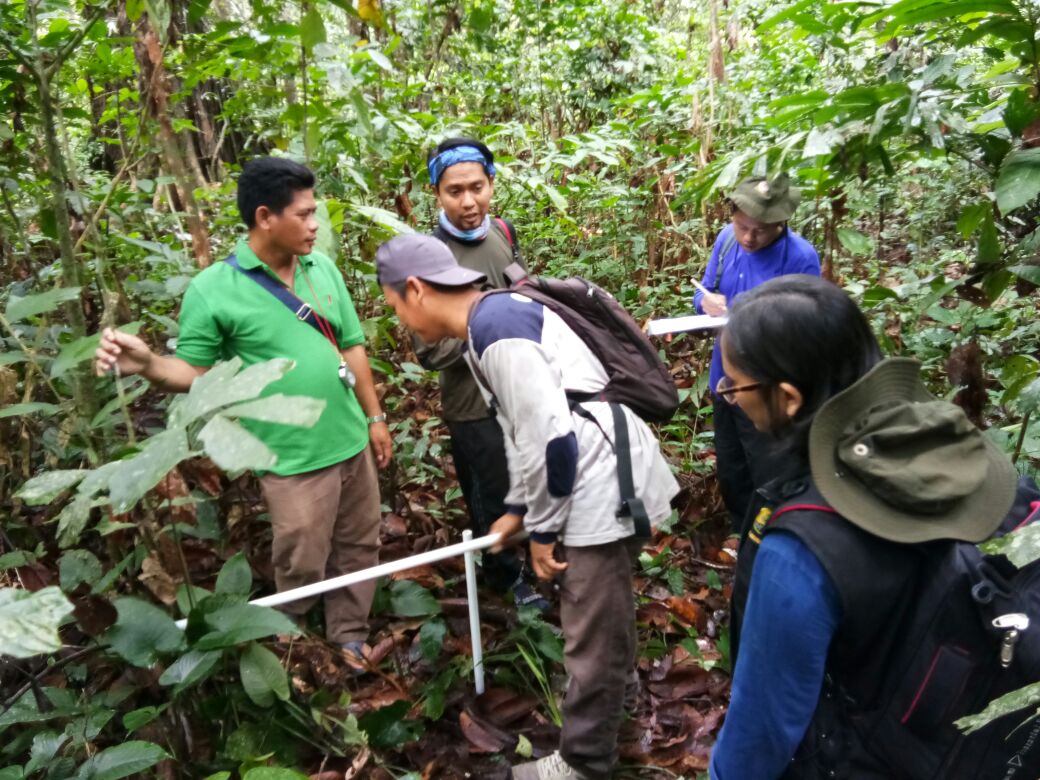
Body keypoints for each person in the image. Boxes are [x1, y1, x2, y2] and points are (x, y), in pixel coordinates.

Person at [376, 234, 679, 780]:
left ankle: (586, 760)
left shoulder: (496, 331)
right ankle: (618, 701)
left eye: (395, 306)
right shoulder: (486, 323)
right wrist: (517, 507)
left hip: (597, 472)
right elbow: (526, 428)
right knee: (599, 608)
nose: (401, 322)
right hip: (590, 466)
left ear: (415, 290)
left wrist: (540, 530)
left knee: (591, 616)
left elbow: (553, 439)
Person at [708, 274, 1018, 779]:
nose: (731, 397)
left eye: (735, 386)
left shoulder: (800, 551)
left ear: (787, 398)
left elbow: (761, 733)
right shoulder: (966, 456)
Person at [94, 157, 391, 662]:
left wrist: (375, 418)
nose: (315, 224)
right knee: (301, 556)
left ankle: (349, 633)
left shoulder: (323, 269)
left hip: (351, 439)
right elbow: (193, 373)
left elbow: (353, 346)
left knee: (360, 542)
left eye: (314, 212)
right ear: (264, 217)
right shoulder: (214, 289)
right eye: (304, 214)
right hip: (290, 456)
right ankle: (292, 641)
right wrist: (148, 364)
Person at [419, 136, 545, 609]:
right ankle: (504, 578)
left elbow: (526, 294)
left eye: (477, 187)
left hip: (521, 392)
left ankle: (536, 556)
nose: (468, 202)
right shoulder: (429, 256)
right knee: (492, 493)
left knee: (531, 478)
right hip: (473, 406)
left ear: (491, 183)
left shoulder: (503, 234)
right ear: (437, 193)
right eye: (455, 191)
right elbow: (429, 349)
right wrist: (488, 324)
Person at [693, 173, 821, 534]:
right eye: (741, 226)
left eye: (761, 230)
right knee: (731, 464)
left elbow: (806, 327)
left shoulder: (801, 257)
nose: (749, 237)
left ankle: (770, 535)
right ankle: (741, 533)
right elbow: (703, 291)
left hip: (764, 385)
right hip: (724, 375)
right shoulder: (725, 241)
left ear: (781, 223)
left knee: (767, 466)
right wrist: (706, 302)